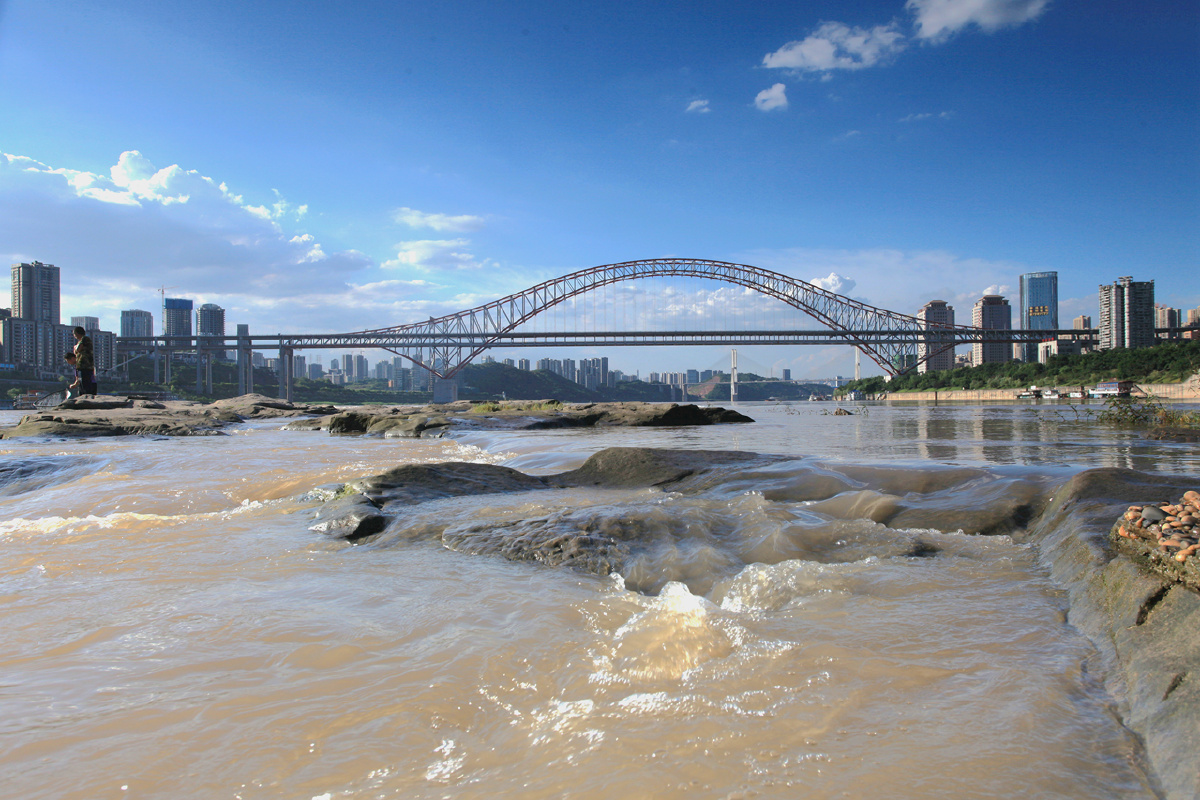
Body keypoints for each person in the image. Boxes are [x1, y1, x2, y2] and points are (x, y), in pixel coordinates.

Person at [72, 326, 98, 396]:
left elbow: (77, 349)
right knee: (82, 383)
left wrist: (75, 347)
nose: (74, 336)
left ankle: (87, 395)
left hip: (86, 365)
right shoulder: (80, 341)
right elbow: (75, 351)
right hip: (81, 366)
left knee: (86, 383)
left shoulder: (85, 339)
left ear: (77, 333)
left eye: (74, 334)